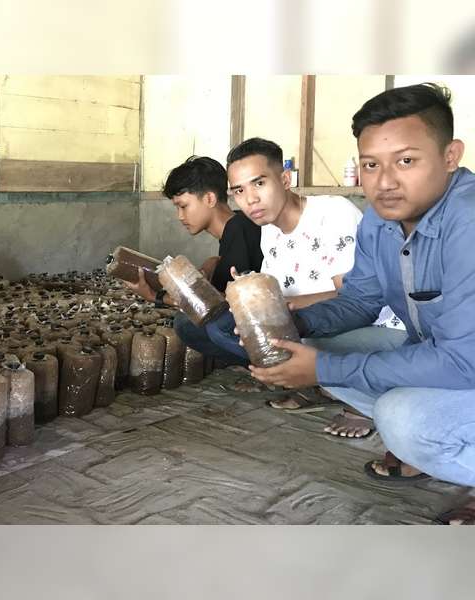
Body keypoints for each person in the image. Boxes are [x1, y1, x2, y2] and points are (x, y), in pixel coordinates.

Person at [244, 83, 475, 525]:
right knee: (325, 351)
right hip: (449, 357)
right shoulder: (378, 220)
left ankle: (425, 442)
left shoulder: (468, 219)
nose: (385, 182)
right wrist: (293, 323)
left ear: (450, 156)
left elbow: (464, 361)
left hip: (465, 361)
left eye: (406, 161)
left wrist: (322, 371)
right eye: (371, 165)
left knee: (401, 418)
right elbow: (360, 300)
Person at [207, 137, 404, 437]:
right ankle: (321, 386)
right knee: (234, 329)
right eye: (239, 191)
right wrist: (249, 293)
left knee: (302, 348)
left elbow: (356, 300)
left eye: (259, 183)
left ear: (285, 179)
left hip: (383, 327)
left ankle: (366, 405)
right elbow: (278, 296)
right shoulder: (268, 233)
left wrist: (289, 309)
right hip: (322, 324)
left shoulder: (333, 213)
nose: (250, 199)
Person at [125, 156, 262, 367]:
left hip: (269, 321)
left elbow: (218, 305)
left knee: (191, 324)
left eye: (183, 206)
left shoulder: (239, 229)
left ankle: (271, 368)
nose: (180, 216)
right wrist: (208, 266)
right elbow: (220, 261)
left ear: (209, 199)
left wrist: (155, 296)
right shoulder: (237, 226)